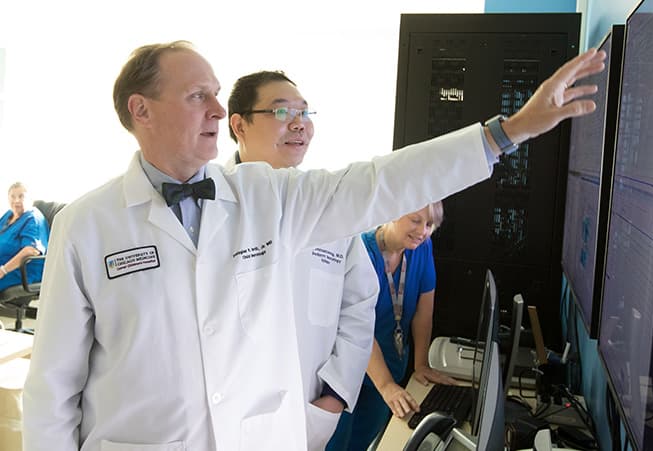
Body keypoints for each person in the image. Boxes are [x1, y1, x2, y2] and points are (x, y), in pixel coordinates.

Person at [22, 40, 606, 451]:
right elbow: (52, 389)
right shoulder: (86, 224)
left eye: (218, 94)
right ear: (140, 109)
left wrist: (508, 132)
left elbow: (380, 181)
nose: (218, 109)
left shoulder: (267, 196)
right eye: (199, 95)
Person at [225, 70, 380, 450]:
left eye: (305, 114)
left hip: (308, 411)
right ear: (239, 125)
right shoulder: (208, 208)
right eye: (281, 113)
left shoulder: (329, 207)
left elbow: (358, 305)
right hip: (226, 418)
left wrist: (335, 395)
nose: (299, 125)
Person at [326, 202, 457, 450]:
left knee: (364, 442)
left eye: (429, 224)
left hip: (389, 368)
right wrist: (385, 384)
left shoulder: (421, 247)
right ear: (393, 210)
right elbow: (357, 326)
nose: (422, 231)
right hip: (349, 370)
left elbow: (423, 311)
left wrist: (420, 365)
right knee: (336, 444)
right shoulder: (361, 249)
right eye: (415, 220)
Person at [0, 182, 49, 292]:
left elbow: (31, 251)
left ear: (30, 199)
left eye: (21, 196)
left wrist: (3, 270)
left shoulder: (33, 219)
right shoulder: (9, 215)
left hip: (21, 270)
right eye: (13, 196)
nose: (16, 200)